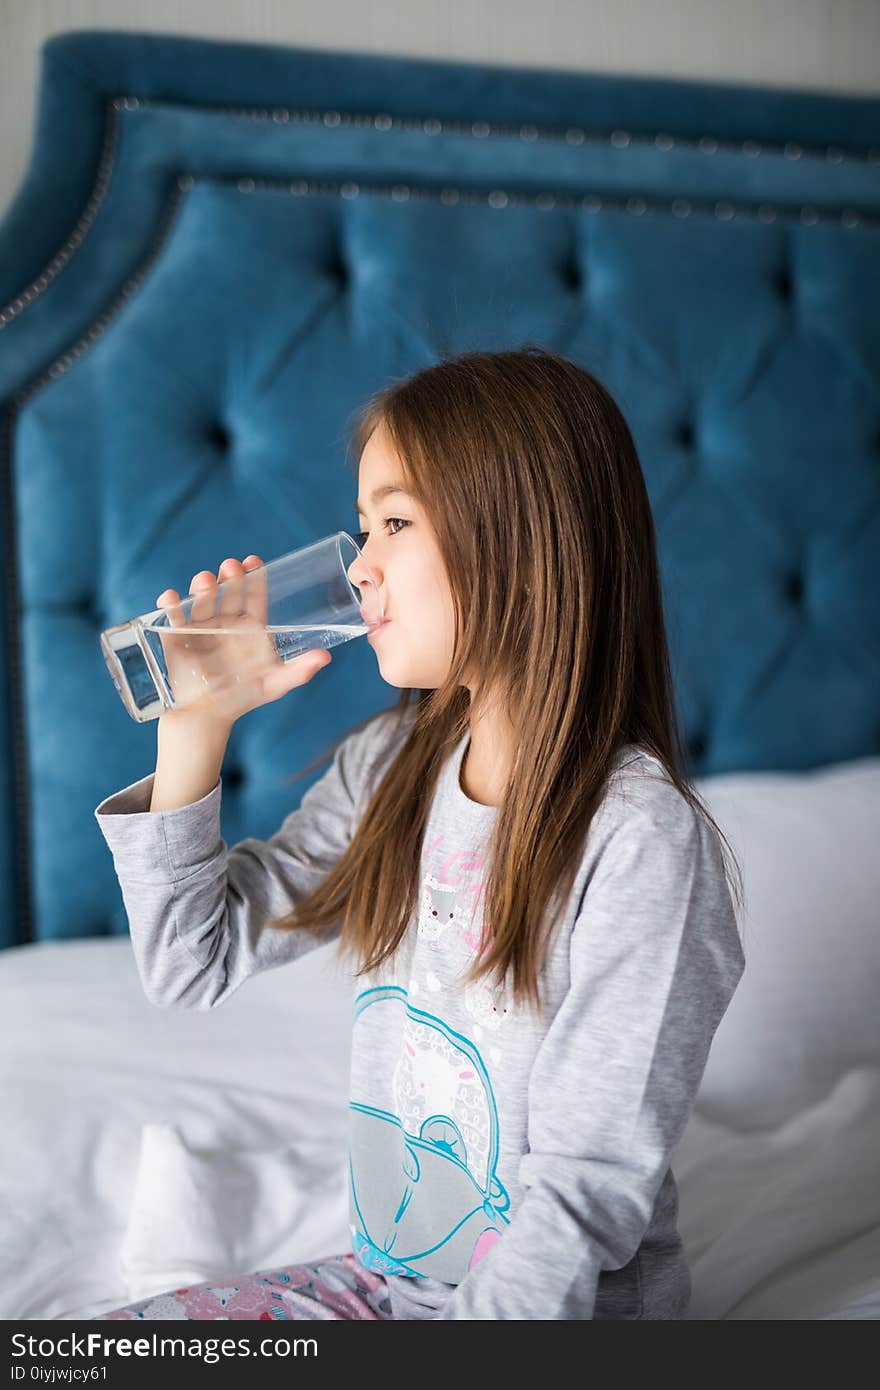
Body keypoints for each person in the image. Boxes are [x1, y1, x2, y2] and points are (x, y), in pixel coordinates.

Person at [93, 345, 746, 1321]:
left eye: (393, 522)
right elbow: (192, 963)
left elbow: (581, 1195)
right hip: (387, 1284)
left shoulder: (639, 841)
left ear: (520, 543)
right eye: (362, 527)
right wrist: (197, 726)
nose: (357, 566)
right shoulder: (390, 768)